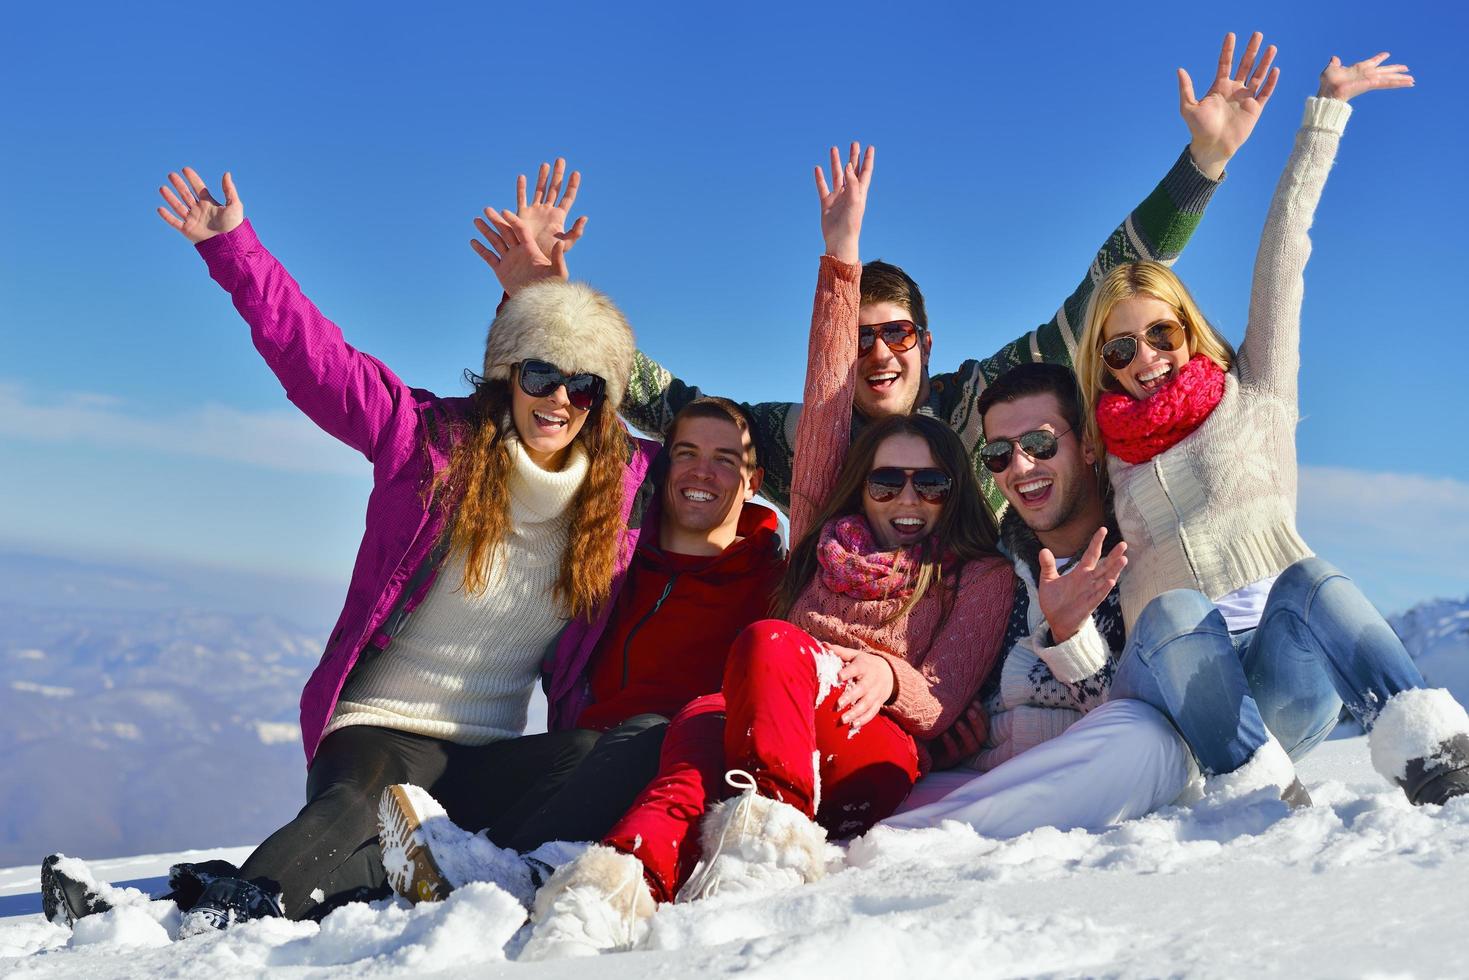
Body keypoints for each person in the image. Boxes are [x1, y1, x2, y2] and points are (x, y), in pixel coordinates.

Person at [41, 165, 654, 934]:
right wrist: (235, 250)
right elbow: (317, 362)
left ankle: (408, 870)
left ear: (603, 401)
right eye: (539, 372)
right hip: (380, 732)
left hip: (490, 755)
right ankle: (216, 917)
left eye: (584, 384)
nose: (560, 397)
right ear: (508, 375)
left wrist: (539, 288)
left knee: (631, 748)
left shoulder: (625, 489)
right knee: (356, 806)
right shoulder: (427, 442)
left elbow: (728, 455)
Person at [515, 142, 1015, 960]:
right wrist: (837, 259)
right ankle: (611, 889)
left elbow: (941, 698)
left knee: (764, 642)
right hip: (773, 713)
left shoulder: (977, 575)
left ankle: (766, 850)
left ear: (955, 489)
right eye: (886, 484)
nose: (907, 499)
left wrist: (888, 673)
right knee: (694, 744)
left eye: (929, 484)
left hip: (871, 744)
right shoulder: (826, 533)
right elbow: (822, 398)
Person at [615, 33, 1281, 515]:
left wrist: (1202, 162)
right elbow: (677, 410)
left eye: (896, 334)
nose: (878, 353)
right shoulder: (798, 437)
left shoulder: (980, 403)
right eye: (858, 339)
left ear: (925, 345)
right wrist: (551, 314)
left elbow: (1102, 291)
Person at [1076, 55, 1469, 807]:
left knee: (1311, 577)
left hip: (1284, 680)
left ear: (1186, 329)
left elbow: (1285, 255)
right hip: (1177, 695)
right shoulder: (1103, 450)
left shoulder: (1254, 392)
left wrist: (1324, 114)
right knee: (1173, 608)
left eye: (1158, 334)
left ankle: (1439, 766)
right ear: (1101, 362)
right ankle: (1258, 793)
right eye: (1119, 349)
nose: (1144, 359)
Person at [375, 395, 787, 904]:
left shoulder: (775, 587)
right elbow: (565, 420)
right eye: (685, 453)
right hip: (578, 761)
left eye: (725, 460)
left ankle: (496, 873)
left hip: (678, 779)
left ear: (753, 481)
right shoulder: (615, 561)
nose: (702, 472)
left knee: (651, 731)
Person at [882, 362, 1194, 835]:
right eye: (999, 454)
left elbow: (1154, 712)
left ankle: (920, 839)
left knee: (1149, 738)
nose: (1021, 467)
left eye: (1039, 444)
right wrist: (951, 737)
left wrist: (1071, 636)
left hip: (1103, 769)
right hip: (988, 781)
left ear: (1088, 444)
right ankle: (907, 835)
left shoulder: (1148, 555)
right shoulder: (989, 571)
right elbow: (954, 699)